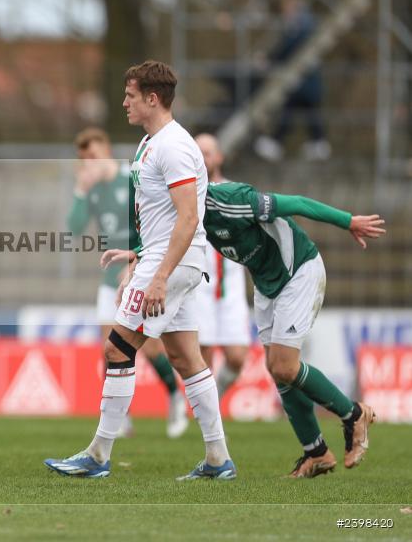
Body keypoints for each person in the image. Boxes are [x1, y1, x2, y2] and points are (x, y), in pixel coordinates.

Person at [101, 183, 385, 478]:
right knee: (277, 369)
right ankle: (316, 452)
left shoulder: (233, 201)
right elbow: (170, 240)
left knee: (284, 367)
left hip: (298, 271)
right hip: (266, 283)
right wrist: (136, 253)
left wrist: (348, 221)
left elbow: (299, 202)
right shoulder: (187, 214)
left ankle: (354, 414)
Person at [45, 61, 235, 480]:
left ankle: (97, 455)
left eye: (130, 95)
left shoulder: (173, 146)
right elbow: (164, 218)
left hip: (174, 263)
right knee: (186, 358)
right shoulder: (151, 143)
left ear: (152, 98)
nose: (124, 102)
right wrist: (137, 256)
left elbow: (188, 219)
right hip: (169, 259)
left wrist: (160, 275)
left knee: (116, 348)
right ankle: (219, 459)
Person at [68, 127, 188, 439]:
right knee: (109, 349)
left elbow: (152, 223)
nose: (89, 164)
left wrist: (136, 263)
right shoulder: (92, 190)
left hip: (141, 272)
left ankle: (175, 396)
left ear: (105, 149)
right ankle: (121, 418)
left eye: (92, 156)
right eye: (84, 159)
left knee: (149, 349)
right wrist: (80, 192)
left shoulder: (131, 177)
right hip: (110, 280)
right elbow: (75, 229)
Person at [194, 133, 250, 396]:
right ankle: (205, 413)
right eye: (198, 152)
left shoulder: (235, 191)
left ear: (219, 157)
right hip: (201, 286)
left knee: (237, 356)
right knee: (203, 357)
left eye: (207, 152)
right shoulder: (188, 193)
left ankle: (214, 397)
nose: (203, 158)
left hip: (232, 287)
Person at [254, 0, 331, 162]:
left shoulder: (302, 23)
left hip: (305, 80)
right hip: (305, 81)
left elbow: (289, 46)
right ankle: (317, 143)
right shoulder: (302, 21)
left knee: (295, 108)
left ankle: (277, 142)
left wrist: (270, 59)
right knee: (306, 110)